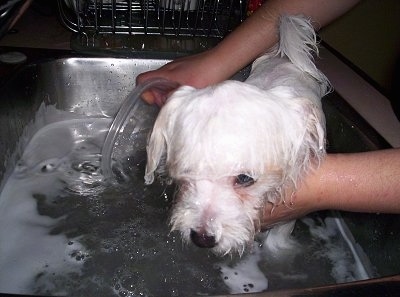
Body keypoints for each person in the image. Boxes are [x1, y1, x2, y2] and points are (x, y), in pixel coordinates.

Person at [136, 0, 400, 227]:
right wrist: (214, 64)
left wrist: (322, 185)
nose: (203, 225)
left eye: (243, 179)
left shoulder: (300, 124)